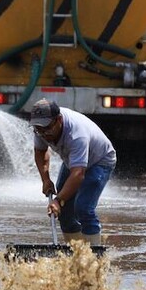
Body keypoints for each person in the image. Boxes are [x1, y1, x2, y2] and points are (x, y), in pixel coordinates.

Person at [31, 99, 116, 246]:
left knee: (83, 208)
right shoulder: (40, 129)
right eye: (39, 129)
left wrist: (57, 200)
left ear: (59, 120)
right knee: (64, 213)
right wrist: (45, 179)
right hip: (74, 162)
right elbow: (40, 151)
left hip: (100, 161)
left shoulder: (76, 134)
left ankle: (94, 257)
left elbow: (78, 174)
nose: (43, 134)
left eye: (47, 129)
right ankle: (76, 253)